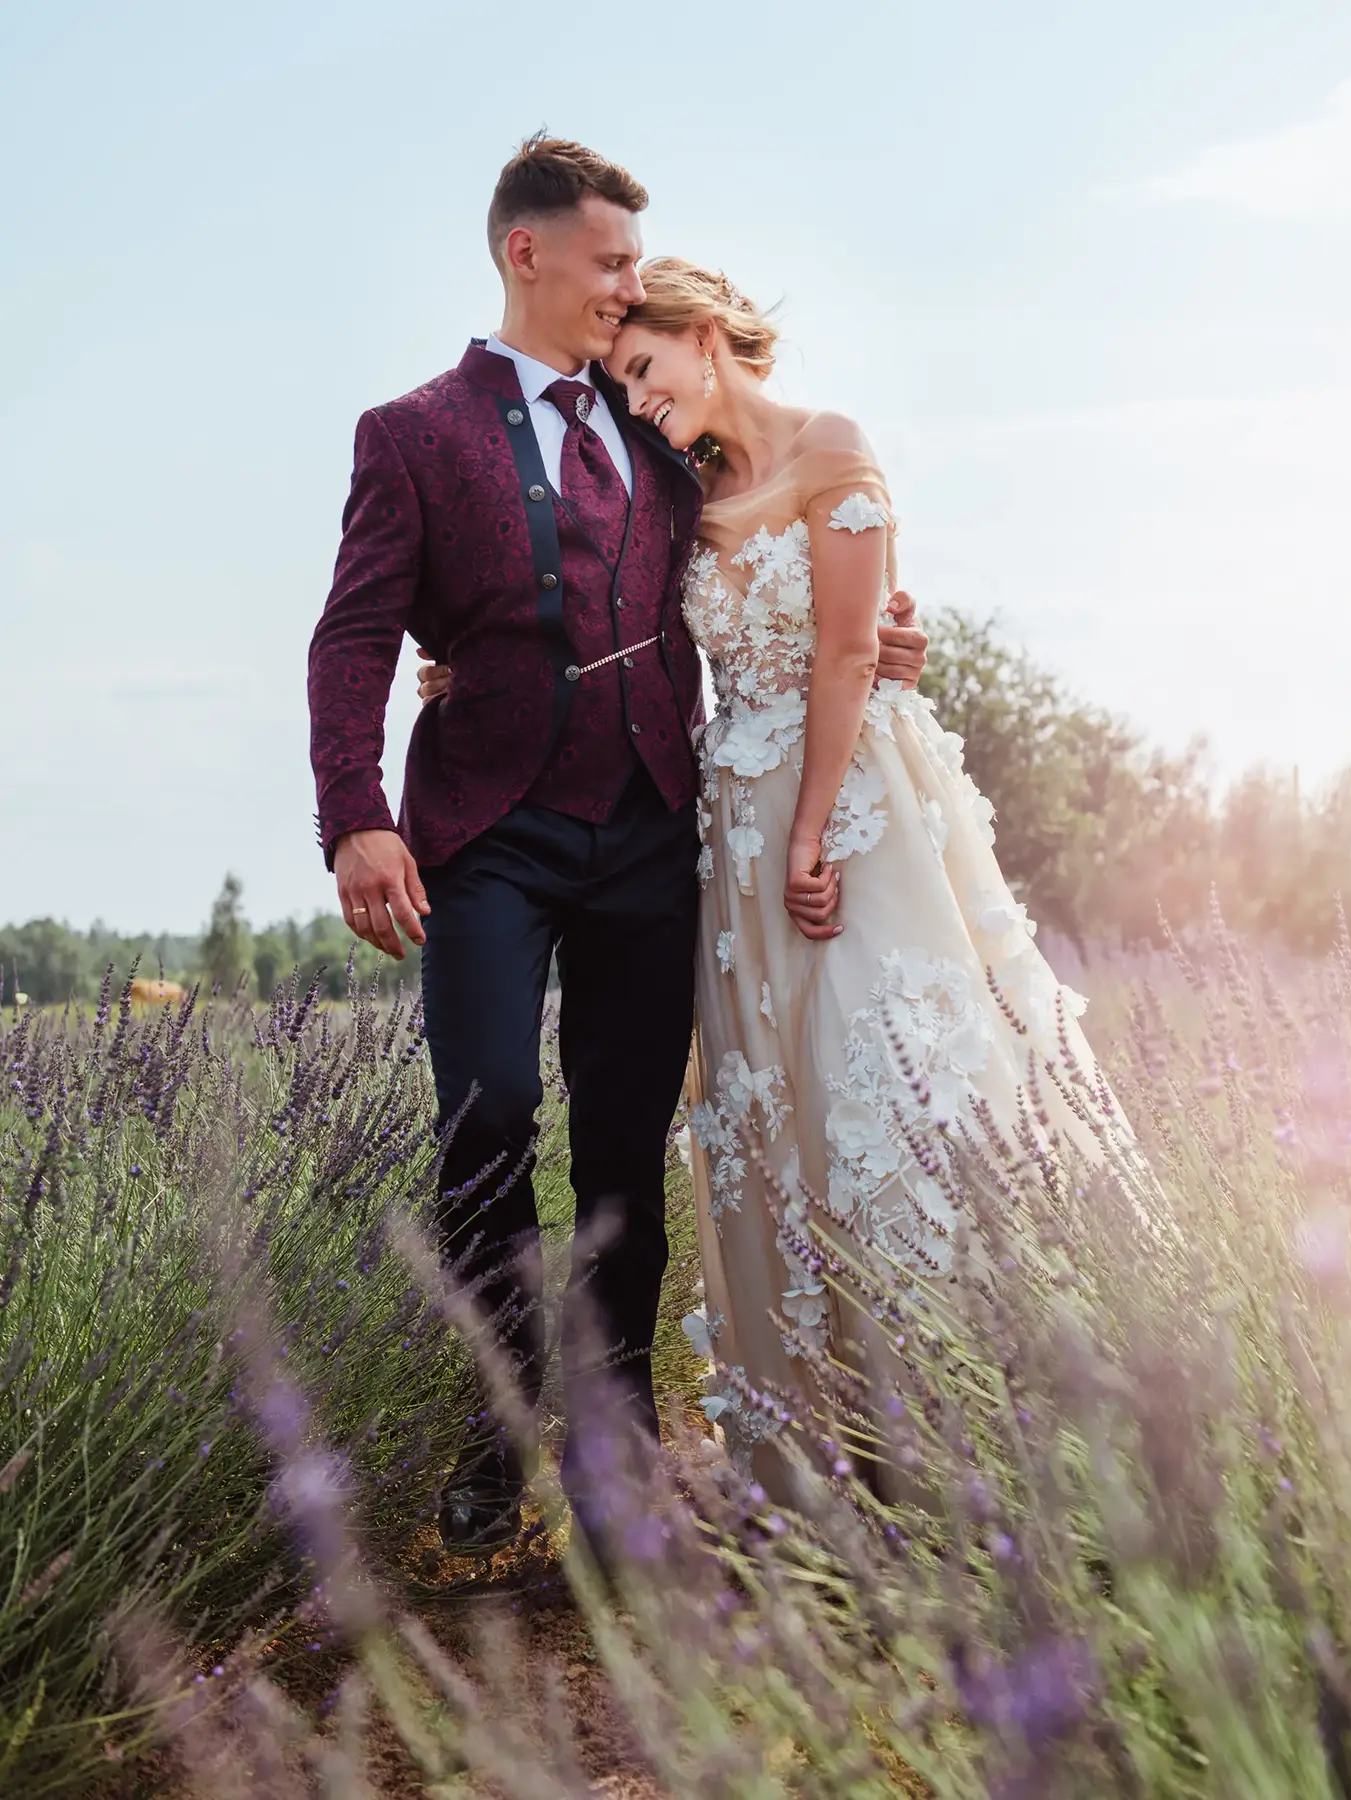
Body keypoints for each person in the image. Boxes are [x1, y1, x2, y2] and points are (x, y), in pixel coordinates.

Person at [424, 257, 1138, 1504]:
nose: (635, 399)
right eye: (619, 383)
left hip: (849, 807)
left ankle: (974, 1419)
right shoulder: (675, 488)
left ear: (706, 339)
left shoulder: (834, 444)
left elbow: (858, 645)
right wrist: (475, 670)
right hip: (730, 833)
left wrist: (812, 827)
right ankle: (828, 1442)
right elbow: (593, 617)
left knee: (893, 1084)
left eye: (644, 370)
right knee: (778, 1109)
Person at [306, 136, 928, 1557]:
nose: (628, 291)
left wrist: (892, 624)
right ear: (526, 254)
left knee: (622, 1147)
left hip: (657, 830)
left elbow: (802, 535)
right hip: (484, 837)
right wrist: (355, 813)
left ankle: (619, 1434)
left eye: (638, 269)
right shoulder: (408, 434)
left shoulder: (665, 425)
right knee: (487, 1121)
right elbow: (351, 638)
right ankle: (489, 1421)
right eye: (609, 264)